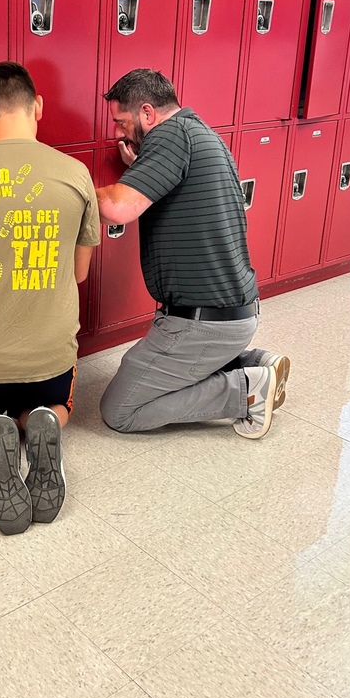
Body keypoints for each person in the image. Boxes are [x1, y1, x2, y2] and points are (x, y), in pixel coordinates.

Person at [0, 62, 100, 535]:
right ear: (38, 108)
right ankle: (43, 419)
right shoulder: (76, 173)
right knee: (55, 404)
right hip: (50, 354)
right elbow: (80, 272)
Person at [95, 68, 290, 439]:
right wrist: (140, 169)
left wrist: (58, 187)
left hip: (203, 323)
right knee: (135, 372)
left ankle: (245, 392)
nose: (118, 132)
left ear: (148, 113)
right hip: (233, 312)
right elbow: (180, 191)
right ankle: (252, 362)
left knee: (120, 409)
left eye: (121, 122)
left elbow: (118, 209)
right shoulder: (196, 131)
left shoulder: (170, 137)